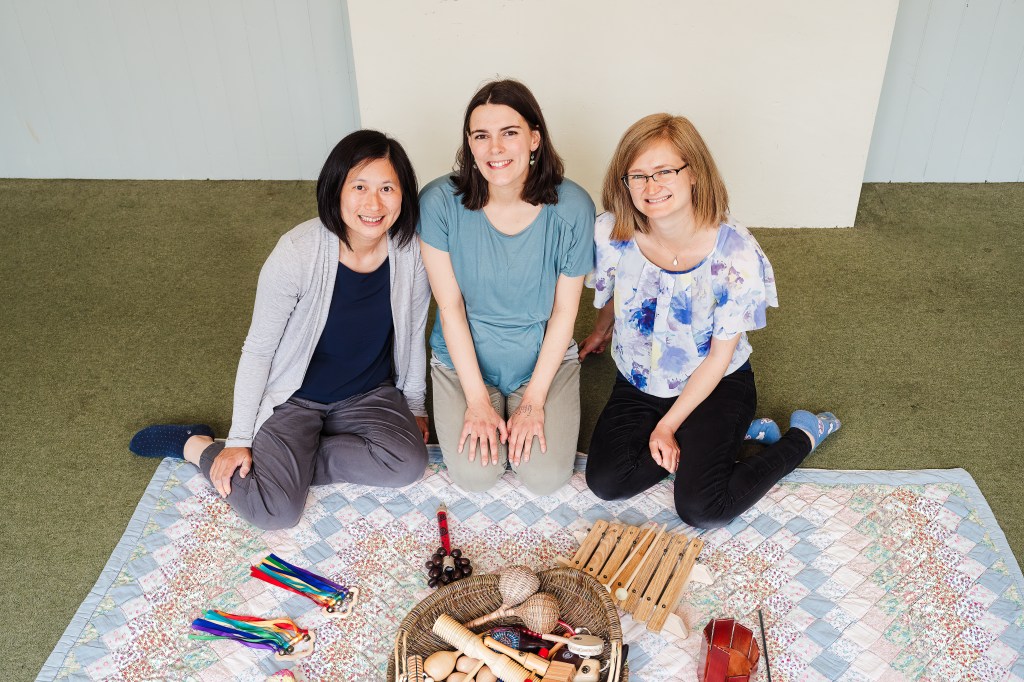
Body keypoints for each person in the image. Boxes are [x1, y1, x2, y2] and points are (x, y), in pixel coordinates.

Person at [129, 130, 430, 530]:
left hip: (367, 393)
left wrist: (415, 405)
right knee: (276, 512)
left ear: (404, 194)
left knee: (408, 463)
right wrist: (239, 439)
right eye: (359, 187)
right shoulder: (297, 252)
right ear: (335, 189)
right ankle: (195, 445)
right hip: (295, 399)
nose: (373, 204)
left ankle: (291, 464)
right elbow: (259, 350)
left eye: (387, 188)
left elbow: (413, 331)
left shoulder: (411, 252)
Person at [580, 114, 840, 528]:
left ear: (694, 173)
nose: (651, 186)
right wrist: (600, 331)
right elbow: (614, 289)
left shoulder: (735, 253)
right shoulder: (612, 231)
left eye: (664, 171)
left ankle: (802, 435)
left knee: (702, 509)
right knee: (607, 482)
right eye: (638, 175)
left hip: (716, 383)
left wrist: (667, 427)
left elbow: (720, 358)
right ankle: (728, 436)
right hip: (639, 378)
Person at [418, 79, 596, 494]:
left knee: (545, 477)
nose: (495, 148)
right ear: (469, 144)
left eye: (509, 133)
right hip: (462, 359)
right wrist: (477, 401)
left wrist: (534, 401)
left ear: (534, 138)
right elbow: (450, 307)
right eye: (481, 136)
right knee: (475, 475)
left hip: (540, 358)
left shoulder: (574, 207)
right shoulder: (438, 201)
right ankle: (484, 401)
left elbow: (565, 312)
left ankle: (527, 399)